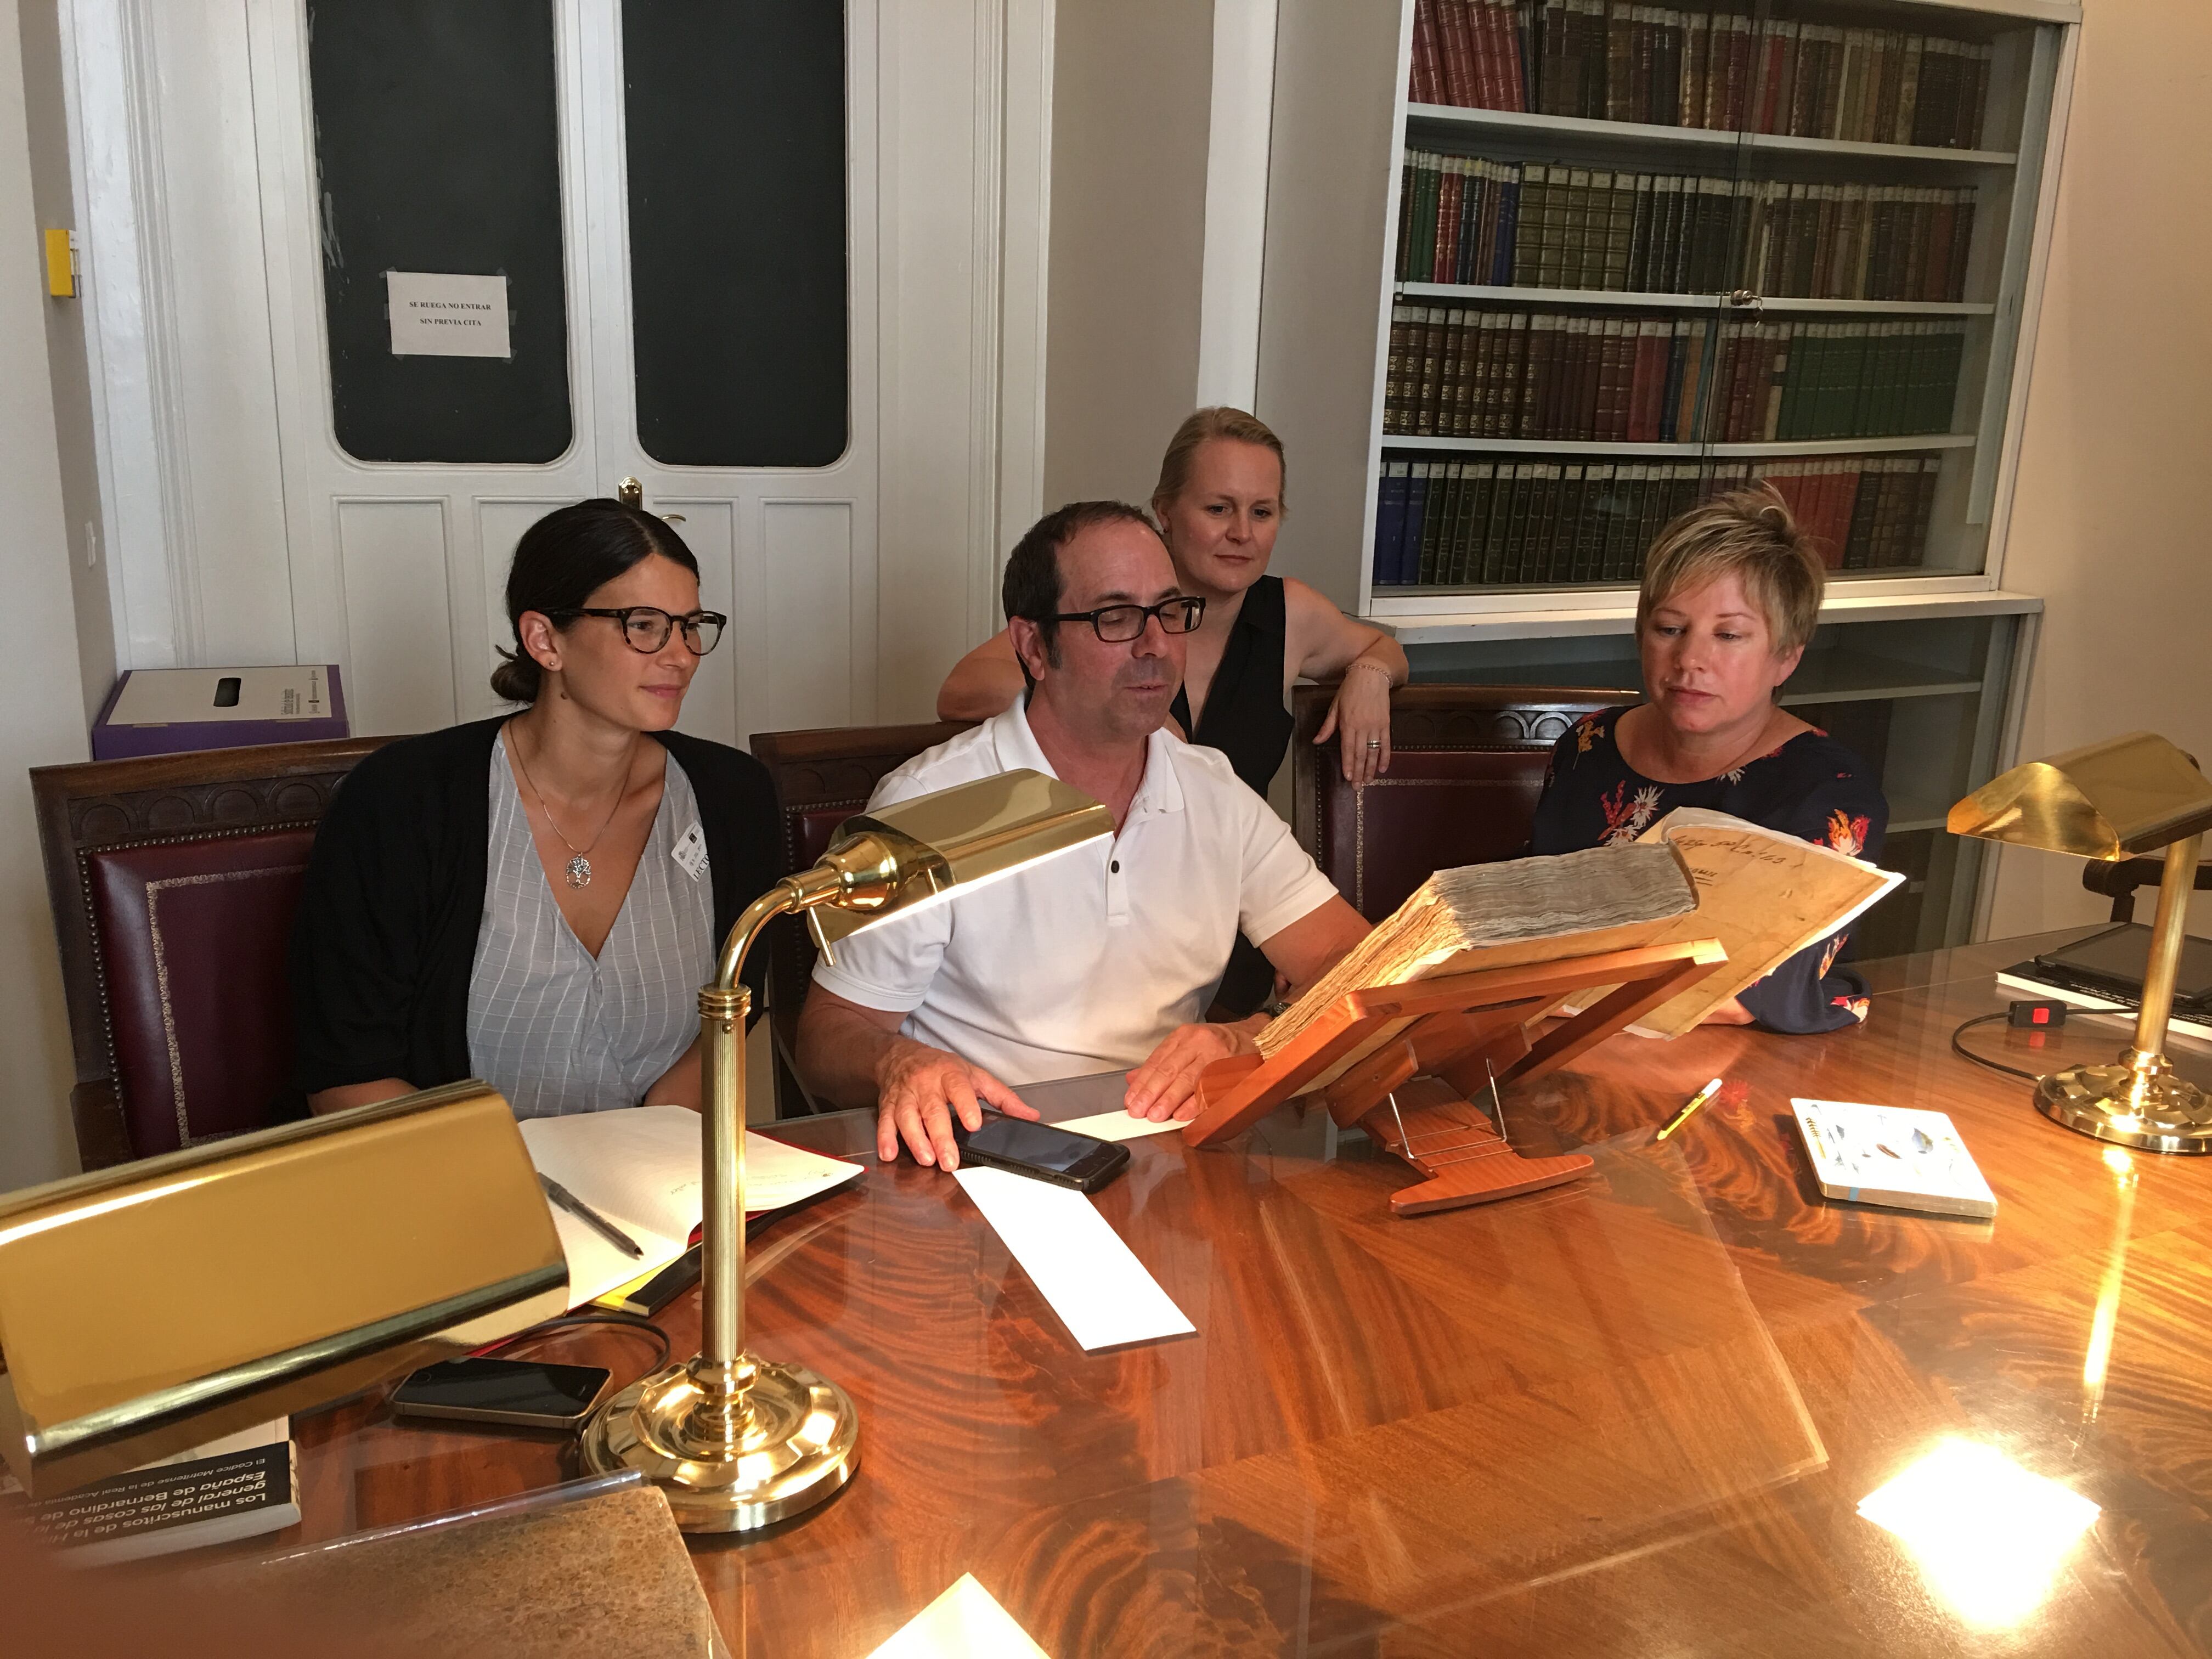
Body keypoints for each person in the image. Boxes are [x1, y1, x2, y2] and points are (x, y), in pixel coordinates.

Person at [797, 500, 1372, 1170]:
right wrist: (897, 1061)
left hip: (1173, 1159)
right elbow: (830, 1036)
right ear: (1034, 647)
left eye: (1170, 612)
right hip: (986, 1158)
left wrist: (1256, 1037)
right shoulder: (929, 805)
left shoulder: (1212, 789)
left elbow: (1355, 960)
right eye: (1117, 618)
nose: (1155, 644)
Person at [290, 499, 781, 1118]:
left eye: (690, 625)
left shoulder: (734, 795)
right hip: (460, 1187)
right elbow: (346, 1076)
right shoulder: (401, 802)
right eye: (643, 625)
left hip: (664, 1184)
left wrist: (663, 1152)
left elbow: (735, 1005)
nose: (681, 654)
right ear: (545, 640)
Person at [1530, 487, 1888, 1034]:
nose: (1690, 660)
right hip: (1553, 1034)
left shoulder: (1831, 792)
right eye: (1670, 629)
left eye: (1729, 635)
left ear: (1786, 657)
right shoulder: (1589, 743)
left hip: (1736, 1061)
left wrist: (1540, 985)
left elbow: (1754, 991)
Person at [938, 408, 1409, 791]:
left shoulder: (1293, 610)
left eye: (1262, 512)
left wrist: (1371, 675)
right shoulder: (1116, 605)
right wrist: (1141, 716)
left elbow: (1382, 649)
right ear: (1165, 511)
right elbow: (962, 689)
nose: (1242, 533)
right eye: (1218, 509)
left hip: (1235, 877)